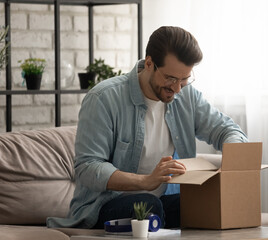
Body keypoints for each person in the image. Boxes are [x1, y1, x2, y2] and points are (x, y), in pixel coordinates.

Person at [47, 26, 248, 229]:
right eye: (170, 78)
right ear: (149, 63)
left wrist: (231, 162)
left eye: (184, 79)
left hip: (160, 203)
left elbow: (229, 130)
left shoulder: (187, 97)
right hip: (105, 205)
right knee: (149, 206)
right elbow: (88, 167)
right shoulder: (103, 98)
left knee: (210, 205)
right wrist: (145, 181)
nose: (177, 89)